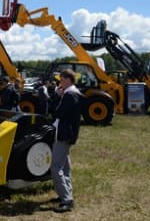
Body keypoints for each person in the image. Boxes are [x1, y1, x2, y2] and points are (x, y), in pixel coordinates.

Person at [50, 69, 84, 213]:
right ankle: (66, 194)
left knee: (56, 168)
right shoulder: (73, 93)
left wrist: (57, 96)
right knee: (65, 167)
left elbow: (57, 112)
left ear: (69, 80)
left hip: (64, 134)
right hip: (68, 133)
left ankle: (67, 200)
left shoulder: (69, 95)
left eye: (62, 79)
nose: (60, 82)